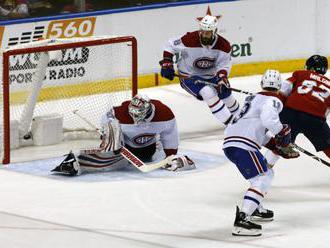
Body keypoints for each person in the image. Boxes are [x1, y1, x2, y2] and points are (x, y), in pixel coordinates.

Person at [222, 70, 299, 236]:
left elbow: (255, 127)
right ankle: (243, 219)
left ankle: (254, 207)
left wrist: (274, 146)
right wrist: (282, 131)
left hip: (232, 142)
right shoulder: (274, 99)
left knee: (263, 173)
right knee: (264, 177)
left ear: (262, 84)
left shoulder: (252, 98)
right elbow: (268, 120)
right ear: (278, 86)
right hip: (244, 145)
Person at [51, 94, 195, 176]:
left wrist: (170, 156)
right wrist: (109, 134)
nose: (134, 118)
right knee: (109, 154)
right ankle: (75, 163)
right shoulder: (119, 112)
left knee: (148, 154)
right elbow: (105, 121)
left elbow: (170, 136)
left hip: (148, 149)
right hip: (124, 147)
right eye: (132, 113)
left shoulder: (165, 114)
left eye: (138, 115)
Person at [159, 15, 239, 126]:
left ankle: (242, 120)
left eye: (208, 32)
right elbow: (170, 45)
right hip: (189, 76)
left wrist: (222, 79)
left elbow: (224, 64)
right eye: (203, 31)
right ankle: (231, 125)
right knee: (208, 92)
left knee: (227, 96)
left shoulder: (224, 45)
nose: (205, 34)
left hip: (211, 76)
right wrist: (167, 62)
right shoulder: (189, 39)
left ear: (214, 31)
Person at [265, 55, 330, 166]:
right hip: (315, 119)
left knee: (280, 144)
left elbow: (283, 92)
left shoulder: (300, 74)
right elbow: (326, 112)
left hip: (291, 113)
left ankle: (263, 171)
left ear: (310, 67)